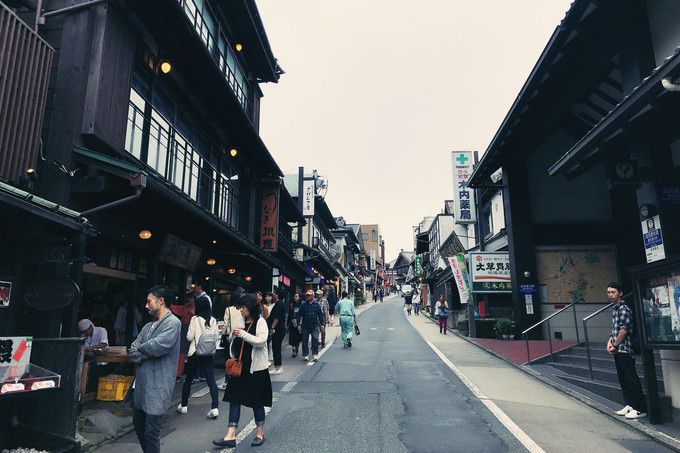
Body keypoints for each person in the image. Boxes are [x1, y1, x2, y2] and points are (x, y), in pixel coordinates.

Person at [213, 294, 272, 449]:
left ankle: (260, 432)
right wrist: (233, 336)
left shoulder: (261, 322)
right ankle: (230, 435)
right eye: (240, 307)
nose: (241, 310)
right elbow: (236, 343)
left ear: (251, 307)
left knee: (256, 402)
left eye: (243, 307)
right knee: (234, 399)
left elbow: (261, 341)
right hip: (240, 368)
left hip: (255, 369)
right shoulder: (243, 322)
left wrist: (243, 334)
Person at [128, 285, 181, 453]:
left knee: (151, 430)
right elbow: (132, 350)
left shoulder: (173, 323)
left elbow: (158, 346)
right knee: (138, 426)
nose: (146, 305)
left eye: (148, 301)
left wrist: (142, 351)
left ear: (161, 301)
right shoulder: (147, 326)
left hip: (158, 383)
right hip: (142, 383)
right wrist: (144, 353)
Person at [606, 282, 647, 419]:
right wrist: (609, 343)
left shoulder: (624, 308)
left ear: (620, 293)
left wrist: (615, 345)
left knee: (631, 378)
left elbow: (624, 330)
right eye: (609, 292)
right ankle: (629, 404)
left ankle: (640, 408)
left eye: (613, 292)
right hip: (618, 349)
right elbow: (615, 329)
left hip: (625, 349)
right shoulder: (615, 309)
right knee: (623, 378)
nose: (610, 295)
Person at [177, 296, 220, 418]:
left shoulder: (195, 319)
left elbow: (190, 337)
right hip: (208, 353)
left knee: (189, 379)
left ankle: (184, 406)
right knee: (211, 380)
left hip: (195, 353)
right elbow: (216, 337)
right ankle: (215, 407)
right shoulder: (213, 320)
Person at [219, 289, 245, 390]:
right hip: (240, 336)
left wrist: (222, 333)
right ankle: (238, 379)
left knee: (228, 359)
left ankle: (227, 380)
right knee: (239, 358)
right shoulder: (242, 309)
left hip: (229, 337)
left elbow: (225, 325)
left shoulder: (228, 309)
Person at [170, 293, 195, 380]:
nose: (188, 301)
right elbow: (174, 308)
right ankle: (178, 374)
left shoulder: (190, 308)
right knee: (182, 353)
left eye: (190, 299)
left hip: (190, 331)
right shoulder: (185, 308)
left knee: (185, 353)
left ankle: (180, 374)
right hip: (185, 331)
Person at [297, 289, 325, 361]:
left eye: (309, 295)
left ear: (312, 296)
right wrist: (298, 324)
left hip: (314, 325)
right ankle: (305, 355)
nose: (307, 296)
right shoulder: (303, 304)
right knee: (304, 340)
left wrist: (322, 324)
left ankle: (314, 354)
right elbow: (299, 315)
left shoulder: (316, 305)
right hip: (305, 325)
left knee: (315, 339)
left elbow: (320, 315)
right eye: (307, 295)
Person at [268, 290, 286, 375]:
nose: (272, 296)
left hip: (278, 329)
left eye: (274, 294)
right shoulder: (279, 303)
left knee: (276, 348)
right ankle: (278, 366)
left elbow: (276, 318)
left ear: (277, 295)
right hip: (279, 329)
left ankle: (278, 367)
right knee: (276, 347)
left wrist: (272, 327)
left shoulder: (279, 304)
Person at [288, 292, 302, 357]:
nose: (295, 297)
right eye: (295, 296)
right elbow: (290, 314)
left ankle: (296, 349)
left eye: (297, 296)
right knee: (292, 337)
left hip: (299, 323)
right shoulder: (292, 305)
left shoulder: (301, 305)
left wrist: (300, 324)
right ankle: (293, 349)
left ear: (299, 297)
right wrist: (288, 323)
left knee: (298, 337)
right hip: (292, 323)